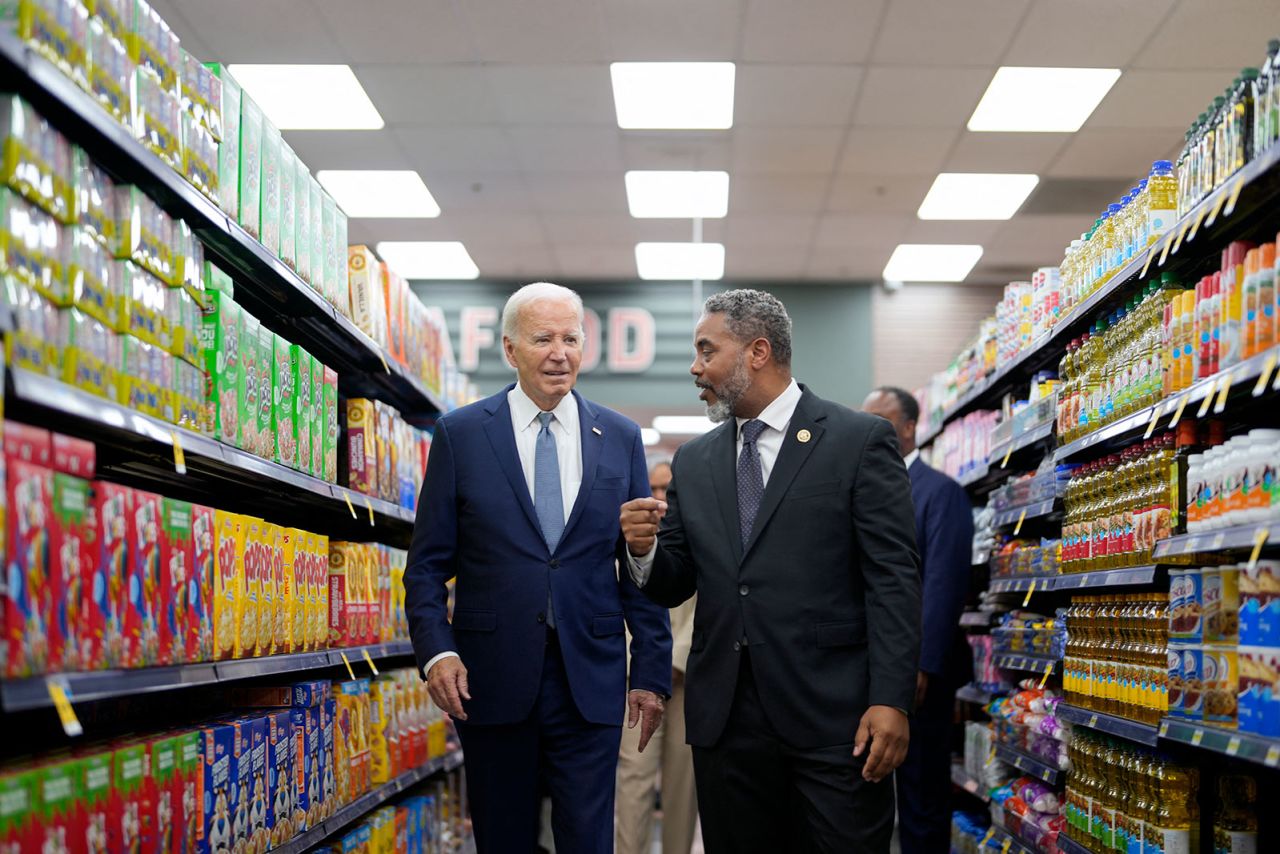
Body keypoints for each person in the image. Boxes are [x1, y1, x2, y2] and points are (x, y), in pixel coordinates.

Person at [619, 289, 922, 854]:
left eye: (707, 350)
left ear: (757, 351)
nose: (695, 366)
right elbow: (677, 578)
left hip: (835, 721)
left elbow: (893, 580)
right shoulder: (695, 459)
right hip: (728, 725)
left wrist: (892, 699)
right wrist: (642, 552)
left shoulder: (857, 441)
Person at [404, 282, 673, 854]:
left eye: (571, 338)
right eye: (543, 338)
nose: (560, 352)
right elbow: (426, 566)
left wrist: (649, 670)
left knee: (588, 840)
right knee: (504, 838)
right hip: (491, 679)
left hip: (591, 678)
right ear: (510, 350)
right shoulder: (462, 434)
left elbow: (637, 563)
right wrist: (436, 651)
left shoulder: (620, 437)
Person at [862, 386, 974, 854]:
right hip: (869, 669)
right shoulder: (864, 488)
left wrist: (922, 665)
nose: (872, 429)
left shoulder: (940, 492)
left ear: (910, 427)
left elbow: (944, 584)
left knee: (921, 791)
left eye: (883, 420)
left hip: (921, 676)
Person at [615, 458, 699, 854]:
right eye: (654, 488)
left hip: (687, 681)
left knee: (684, 785)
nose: (661, 497)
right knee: (634, 777)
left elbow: (704, 609)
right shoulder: (628, 539)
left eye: (669, 489)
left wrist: (675, 660)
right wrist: (646, 667)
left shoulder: (695, 537)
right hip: (640, 678)